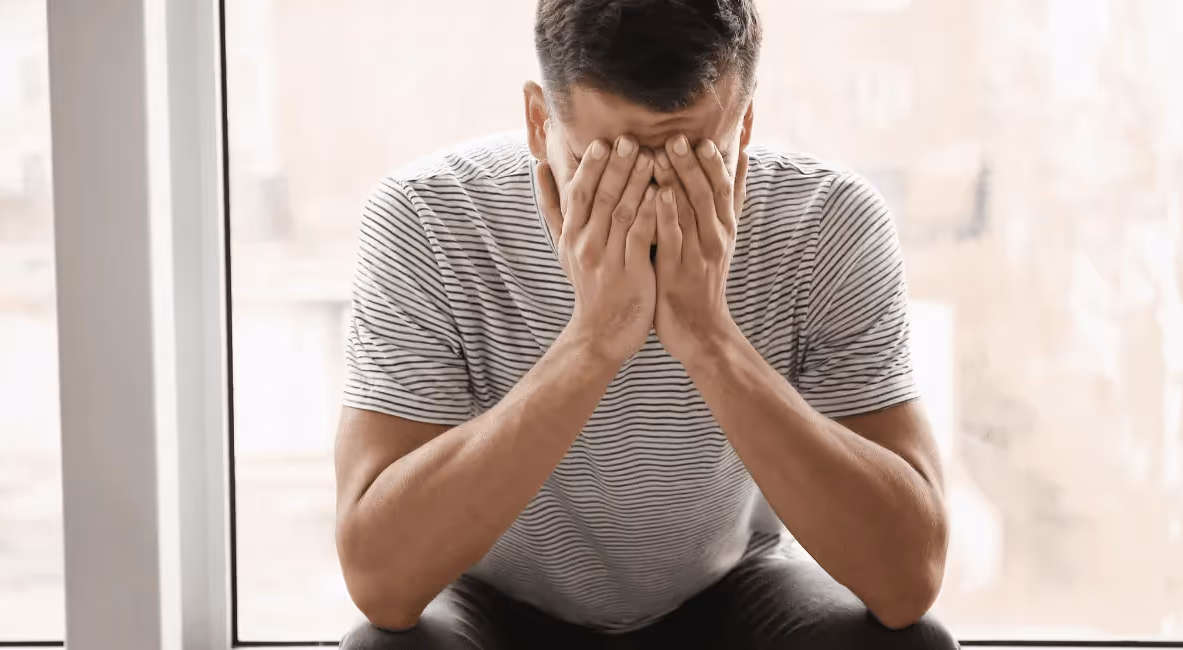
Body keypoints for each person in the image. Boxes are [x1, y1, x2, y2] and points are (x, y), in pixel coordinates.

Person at [334, 0, 957, 648]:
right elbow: (381, 580)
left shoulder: (826, 222)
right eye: (607, 170)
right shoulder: (428, 218)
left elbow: (908, 578)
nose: (650, 217)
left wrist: (709, 337)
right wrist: (593, 341)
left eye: (693, 170)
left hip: (729, 590)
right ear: (539, 121)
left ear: (744, 127)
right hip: (494, 601)